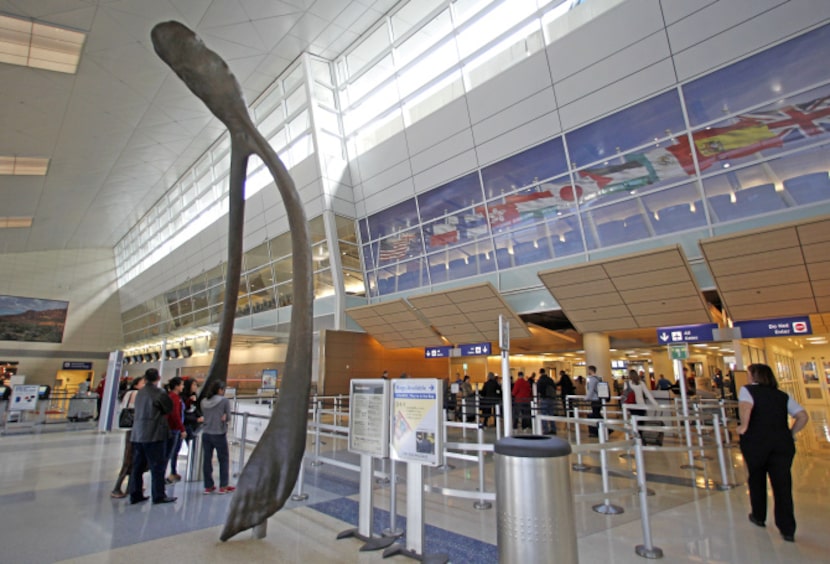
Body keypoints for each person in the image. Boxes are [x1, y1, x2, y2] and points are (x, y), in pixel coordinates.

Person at [736, 363, 808, 542]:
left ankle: (758, 516)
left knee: (756, 478)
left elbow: (746, 407)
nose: (747, 377)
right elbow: (802, 416)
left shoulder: (748, 390)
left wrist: (744, 426)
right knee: (783, 484)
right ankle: (787, 529)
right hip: (782, 444)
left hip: (757, 442)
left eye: (749, 374)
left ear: (754, 376)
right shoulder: (782, 395)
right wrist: (791, 433)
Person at [129, 368, 176, 505]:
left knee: (137, 467)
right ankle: (158, 495)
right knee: (157, 467)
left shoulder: (140, 393)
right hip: (154, 434)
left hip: (138, 434)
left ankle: (135, 493)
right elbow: (168, 408)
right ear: (158, 378)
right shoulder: (159, 393)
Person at [111, 376, 145, 498]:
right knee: (131, 459)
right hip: (135, 430)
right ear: (136, 385)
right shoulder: (136, 394)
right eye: (143, 383)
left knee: (131, 459)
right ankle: (117, 488)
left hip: (129, 430)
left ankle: (132, 485)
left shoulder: (127, 393)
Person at [201, 381, 235, 495]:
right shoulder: (224, 401)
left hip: (206, 433)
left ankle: (208, 486)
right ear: (220, 390)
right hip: (219, 433)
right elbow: (228, 417)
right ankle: (223, 485)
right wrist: (224, 417)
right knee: (223, 459)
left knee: (207, 460)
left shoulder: (204, 402)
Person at [165, 377, 187, 484]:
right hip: (173, 429)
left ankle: (172, 472)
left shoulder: (175, 397)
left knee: (173, 451)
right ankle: (165, 477)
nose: (183, 387)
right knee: (169, 453)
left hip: (174, 428)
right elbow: (175, 415)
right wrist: (181, 428)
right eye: (181, 385)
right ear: (177, 386)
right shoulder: (174, 398)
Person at [585, 365, 606, 437]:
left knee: (596, 415)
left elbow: (590, 390)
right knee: (597, 414)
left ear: (591, 370)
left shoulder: (592, 380)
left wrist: (586, 398)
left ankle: (600, 430)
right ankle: (603, 429)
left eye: (588, 370)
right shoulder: (598, 379)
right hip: (599, 399)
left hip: (595, 400)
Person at [536, 368, 556, 434]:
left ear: (540, 372)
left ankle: (546, 430)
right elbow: (554, 387)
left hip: (544, 398)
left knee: (543, 414)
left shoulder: (540, 380)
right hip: (552, 399)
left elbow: (538, 389)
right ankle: (553, 429)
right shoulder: (550, 379)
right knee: (551, 414)